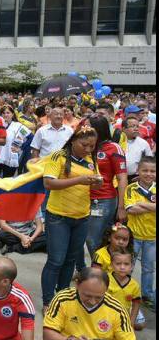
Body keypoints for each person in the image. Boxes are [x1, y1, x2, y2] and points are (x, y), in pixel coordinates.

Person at [42, 267, 153, 340]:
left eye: (99, 297)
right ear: (77, 285)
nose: (92, 301)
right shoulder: (62, 298)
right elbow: (47, 336)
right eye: (87, 295)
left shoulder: (117, 309)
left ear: (106, 290)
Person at [41, 123, 103, 313]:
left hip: (82, 216)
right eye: (84, 145)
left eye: (91, 146)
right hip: (58, 216)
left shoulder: (91, 160)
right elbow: (49, 183)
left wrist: (97, 183)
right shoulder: (58, 157)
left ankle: (63, 296)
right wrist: (79, 180)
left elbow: (94, 187)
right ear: (73, 141)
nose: (88, 149)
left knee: (70, 260)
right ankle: (48, 301)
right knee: (56, 260)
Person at [79, 115, 128, 271]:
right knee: (89, 239)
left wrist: (121, 207)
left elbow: (122, 178)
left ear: (98, 129)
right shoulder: (84, 146)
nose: (84, 130)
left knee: (92, 239)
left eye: (88, 127)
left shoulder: (113, 148)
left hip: (104, 200)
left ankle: (99, 272)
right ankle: (92, 270)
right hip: (81, 199)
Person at [124, 156, 156, 310]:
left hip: (152, 236)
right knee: (128, 265)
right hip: (134, 235)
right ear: (138, 171)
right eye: (145, 170)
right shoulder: (131, 188)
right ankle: (125, 292)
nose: (149, 174)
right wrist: (153, 206)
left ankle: (147, 295)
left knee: (149, 267)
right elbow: (131, 209)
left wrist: (142, 204)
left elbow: (137, 207)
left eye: (152, 171)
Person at [107, 250, 145, 331]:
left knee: (139, 326)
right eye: (118, 264)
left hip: (124, 315)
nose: (122, 267)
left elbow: (136, 304)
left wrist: (131, 323)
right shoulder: (105, 280)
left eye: (126, 264)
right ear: (111, 265)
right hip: (106, 314)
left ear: (131, 266)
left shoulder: (134, 285)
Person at [0, 104, 31, 178]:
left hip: (10, 158)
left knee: (7, 183)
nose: (5, 115)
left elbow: (31, 137)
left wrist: (21, 147)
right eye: (3, 113)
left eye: (8, 112)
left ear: (12, 114)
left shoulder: (18, 126)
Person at [122, 116, 153, 182]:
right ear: (124, 129)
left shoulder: (143, 143)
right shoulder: (117, 142)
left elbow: (150, 162)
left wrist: (141, 176)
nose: (136, 129)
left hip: (136, 178)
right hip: (119, 178)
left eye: (137, 126)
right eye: (133, 126)